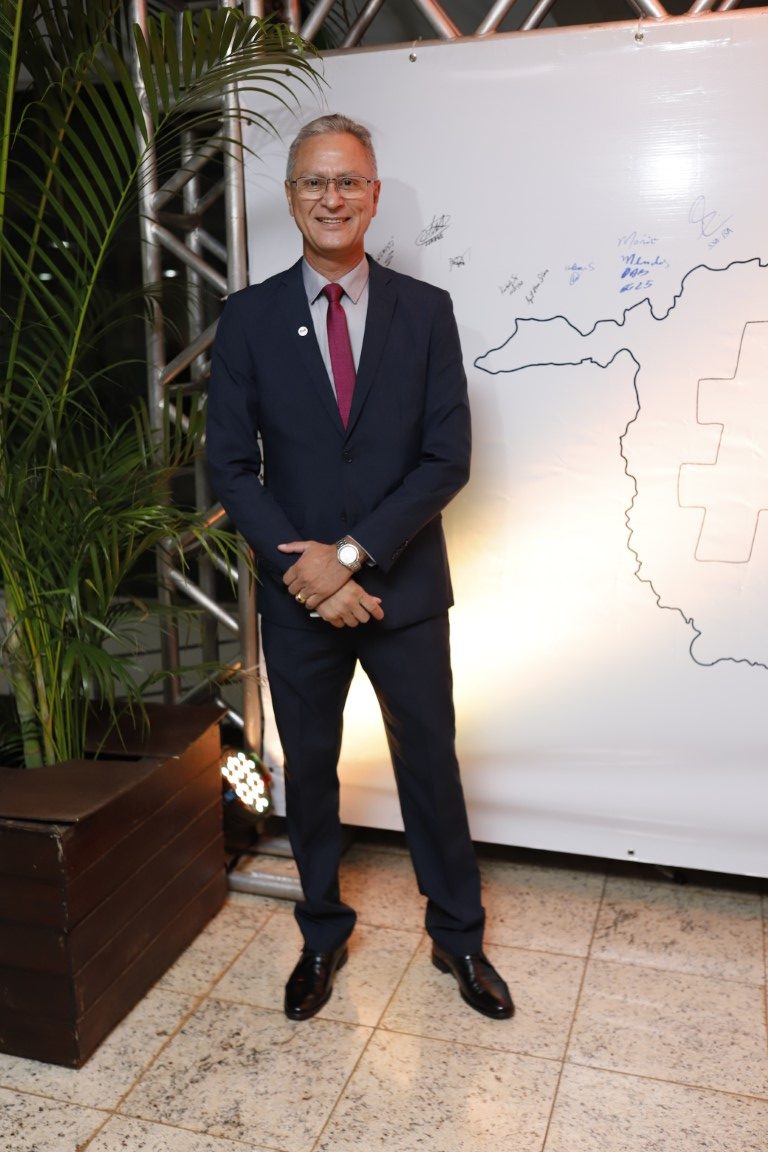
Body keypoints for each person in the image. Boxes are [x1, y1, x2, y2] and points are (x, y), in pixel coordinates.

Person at [206, 113, 513, 1022]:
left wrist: (346, 559)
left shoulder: (427, 312)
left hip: (401, 591)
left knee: (431, 769)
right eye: (315, 181)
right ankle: (321, 935)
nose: (332, 198)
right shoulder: (248, 318)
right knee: (310, 770)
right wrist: (308, 576)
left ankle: (458, 938)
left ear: (373, 196)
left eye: (349, 181)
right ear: (291, 196)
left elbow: (446, 460)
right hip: (297, 599)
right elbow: (231, 467)